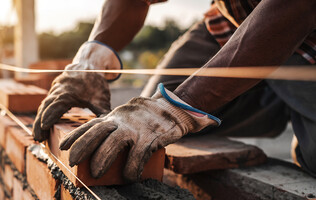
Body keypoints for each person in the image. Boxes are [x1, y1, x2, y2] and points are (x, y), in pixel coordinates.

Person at [33, 0, 316, 181]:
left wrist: (180, 106)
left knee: (314, 156)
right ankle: (277, 95)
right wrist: (91, 59)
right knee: (143, 125)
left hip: (300, 24)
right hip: (236, 21)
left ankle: (291, 98)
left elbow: (296, 7)